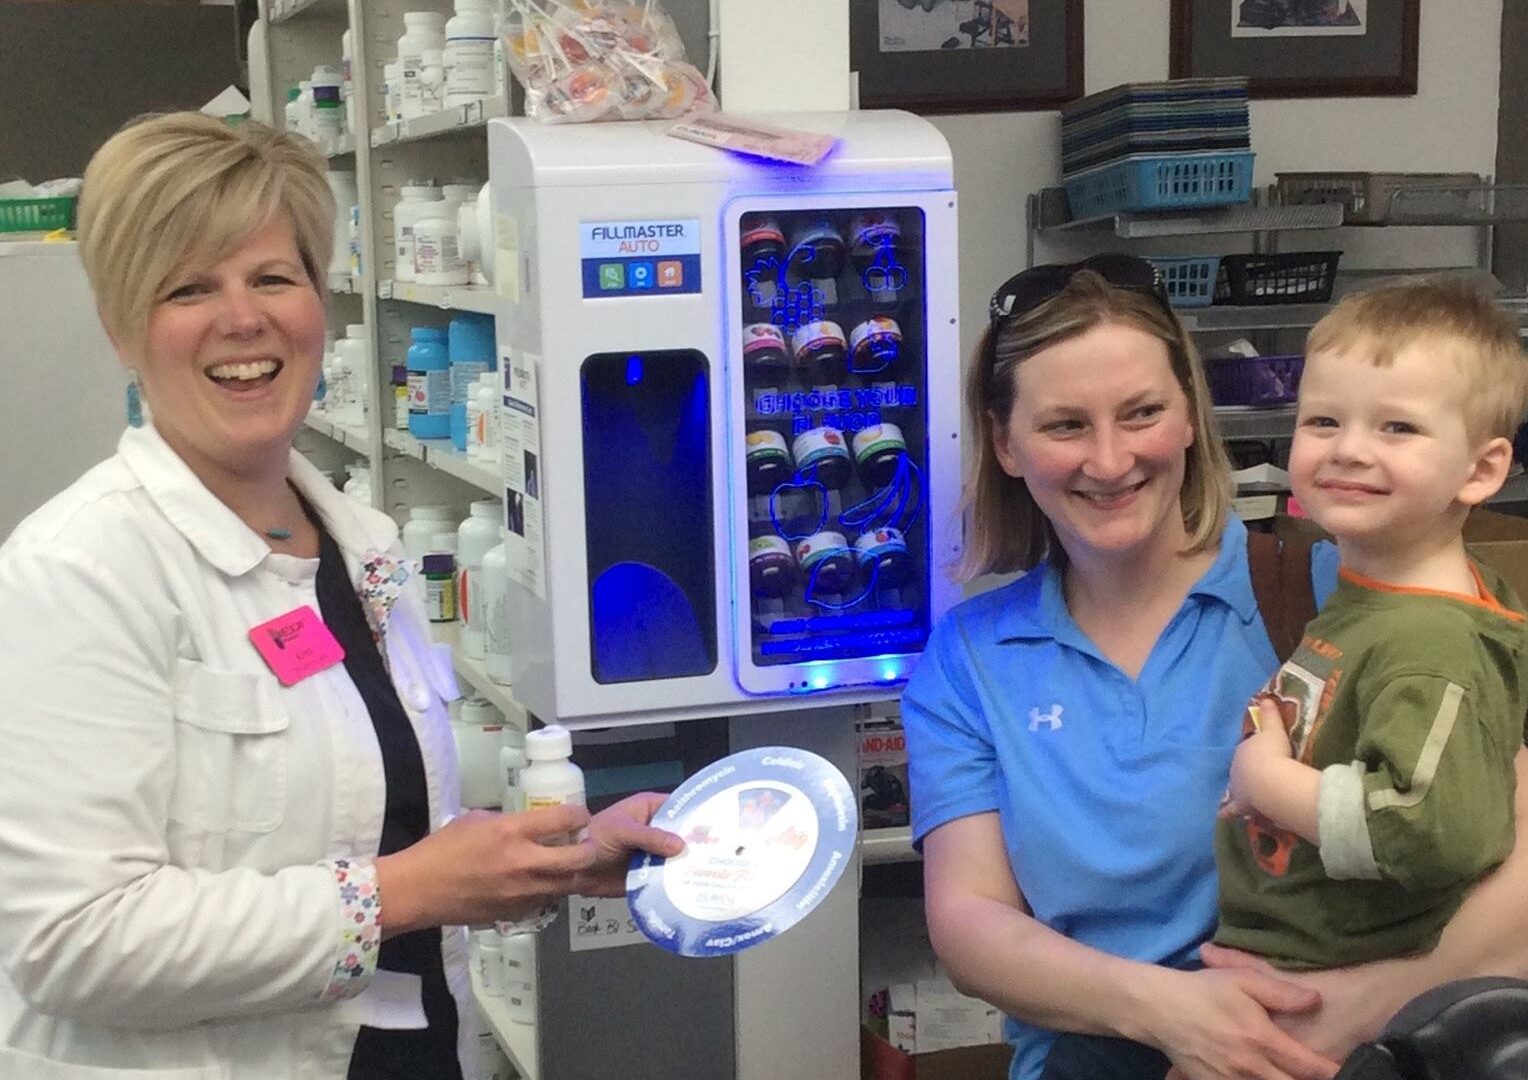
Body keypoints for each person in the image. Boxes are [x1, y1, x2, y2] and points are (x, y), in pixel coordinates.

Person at [0, 112, 682, 1079]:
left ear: (320, 301)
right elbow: (69, 939)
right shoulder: (80, 570)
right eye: (189, 287)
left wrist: (547, 855)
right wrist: (396, 894)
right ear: (122, 331)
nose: (244, 318)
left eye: (273, 277)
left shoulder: (355, 545)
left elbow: (370, 819)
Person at [900, 254, 1528, 1080]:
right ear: (1005, 443)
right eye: (1064, 426)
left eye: (1142, 413)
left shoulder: (1338, 597)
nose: (1111, 459)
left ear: (1192, 416)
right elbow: (970, 924)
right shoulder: (970, 660)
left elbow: (1511, 856)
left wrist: (1350, 1013)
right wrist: (1174, 1015)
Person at [1216, 281, 1528, 968]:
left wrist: (1264, 779)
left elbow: (1429, 831)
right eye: (1323, 421)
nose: (1348, 450)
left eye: (1398, 427)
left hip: (1337, 981)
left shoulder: (1432, 643)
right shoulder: (1375, 593)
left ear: (1481, 470)